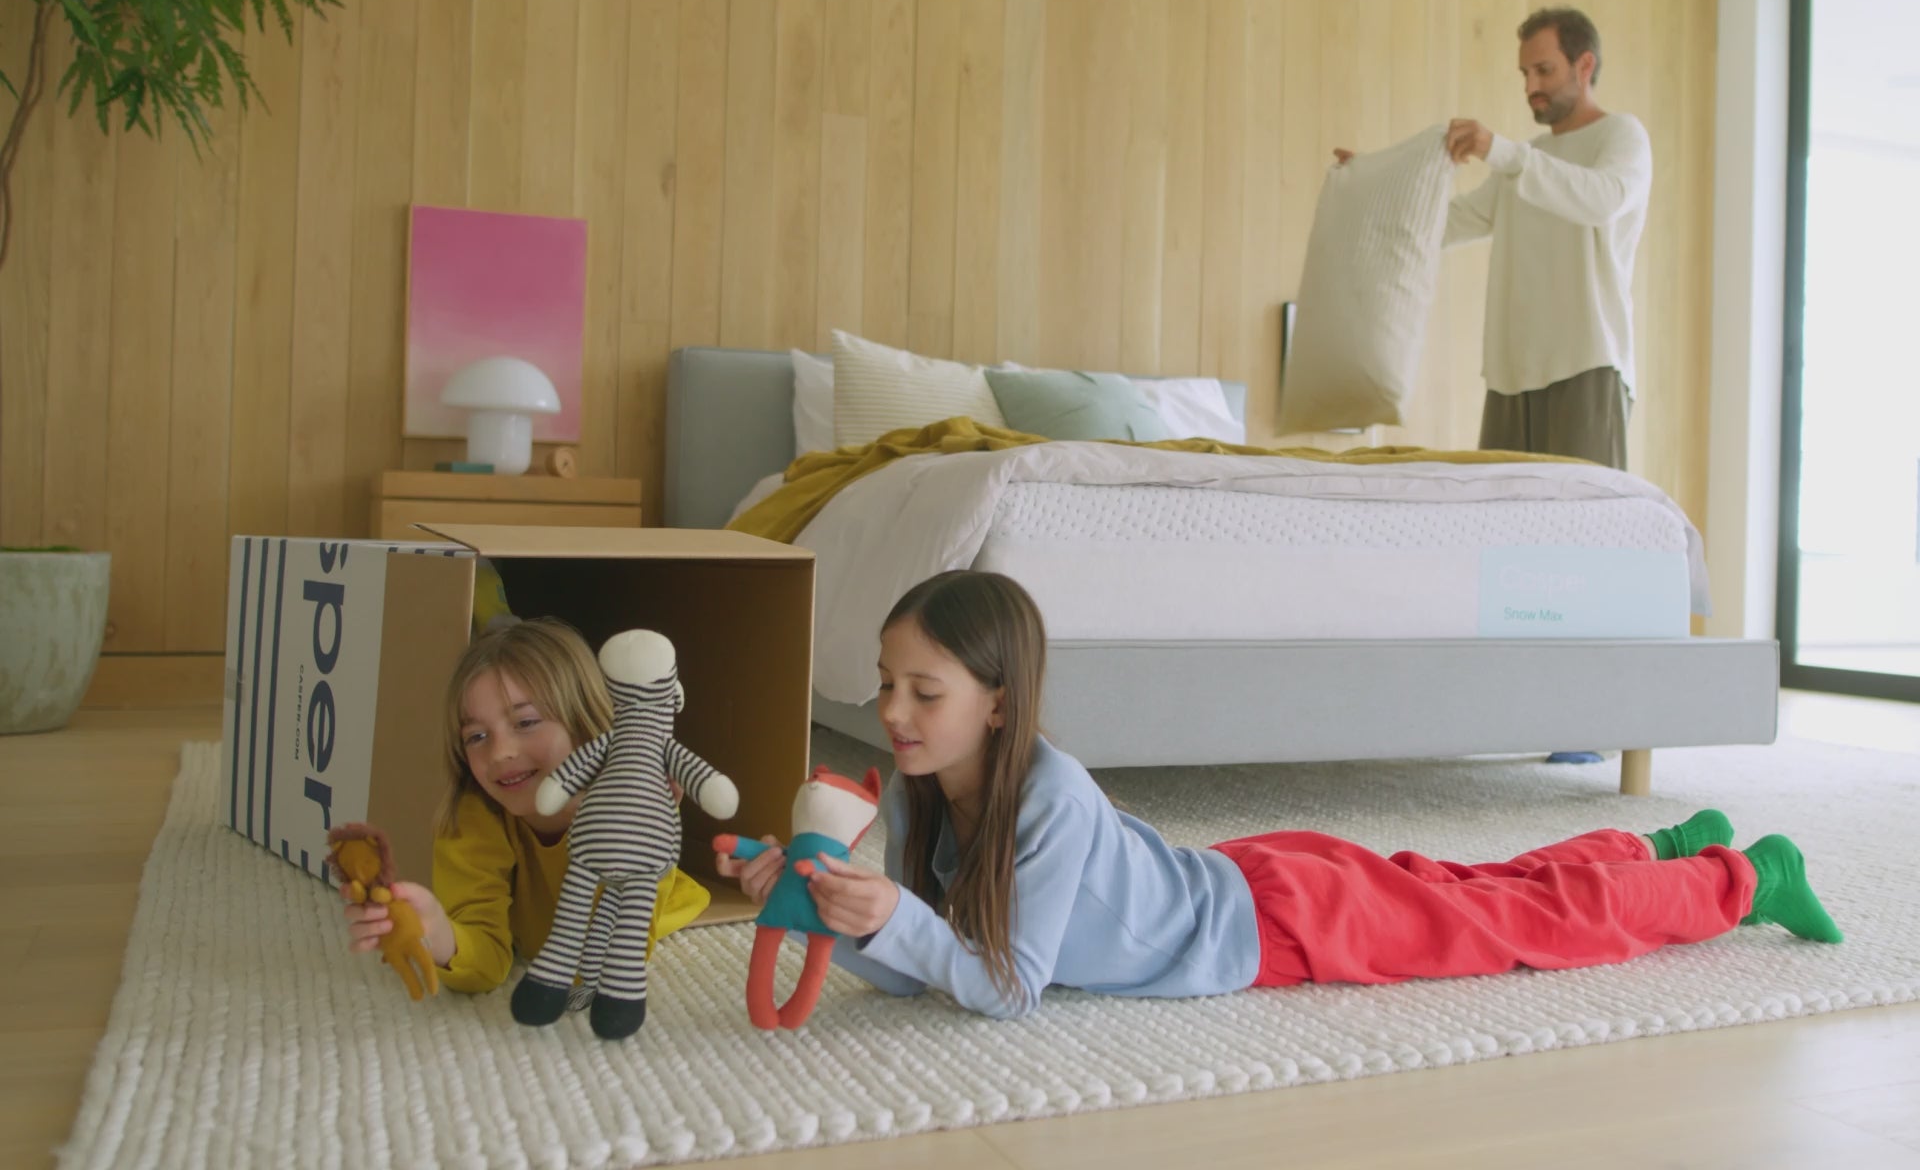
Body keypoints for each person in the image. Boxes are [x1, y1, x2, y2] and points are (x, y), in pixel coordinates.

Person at [717, 571, 1840, 1020]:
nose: (895, 711)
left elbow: (1003, 985)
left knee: (1515, 922)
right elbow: (925, 957)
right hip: (1253, 877)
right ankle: (1660, 847)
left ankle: (1737, 881)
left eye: (925, 689)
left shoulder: (1046, 795)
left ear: (1000, 702)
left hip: (1279, 923)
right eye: (886, 684)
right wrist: (822, 902)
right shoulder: (913, 792)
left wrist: (889, 916)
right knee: (1482, 885)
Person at [1338, 6, 1651, 470]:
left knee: (1582, 535)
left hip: (1588, 368)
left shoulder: (1621, 135)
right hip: (1510, 377)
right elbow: (1448, 223)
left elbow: (1601, 200)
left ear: (1584, 66)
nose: (1531, 87)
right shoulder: (1528, 160)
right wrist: (1371, 187)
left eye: (1543, 70)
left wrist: (1501, 151)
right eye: (1525, 73)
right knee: (1502, 533)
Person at [341, 617, 711, 995]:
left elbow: (606, 961)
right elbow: (484, 961)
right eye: (477, 736)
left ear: (583, 721)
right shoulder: (472, 818)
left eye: (526, 721)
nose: (500, 752)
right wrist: (436, 931)